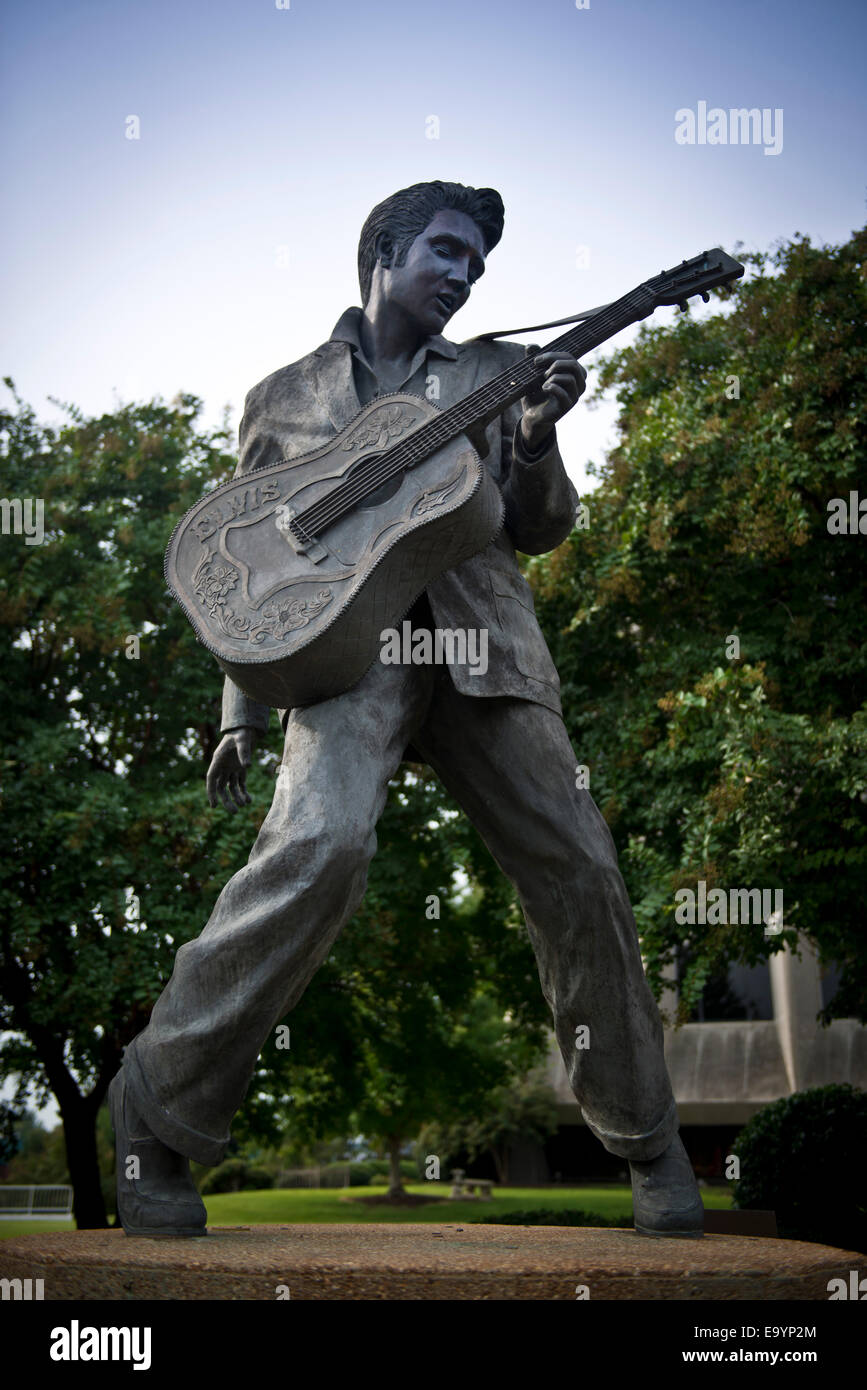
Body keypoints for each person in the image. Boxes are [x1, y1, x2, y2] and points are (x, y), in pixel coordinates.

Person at [110, 181, 703, 1240]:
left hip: (486, 645)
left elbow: (539, 526)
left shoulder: (492, 371)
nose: (464, 275)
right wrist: (240, 714)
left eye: (477, 265)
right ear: (381, 251)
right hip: (343, 659)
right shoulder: (281, 396)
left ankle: (647, 1139)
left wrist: (532, 439)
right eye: (446, 250)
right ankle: (156, 1108)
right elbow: (242, 566)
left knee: (579, 865)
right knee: (316, 851)